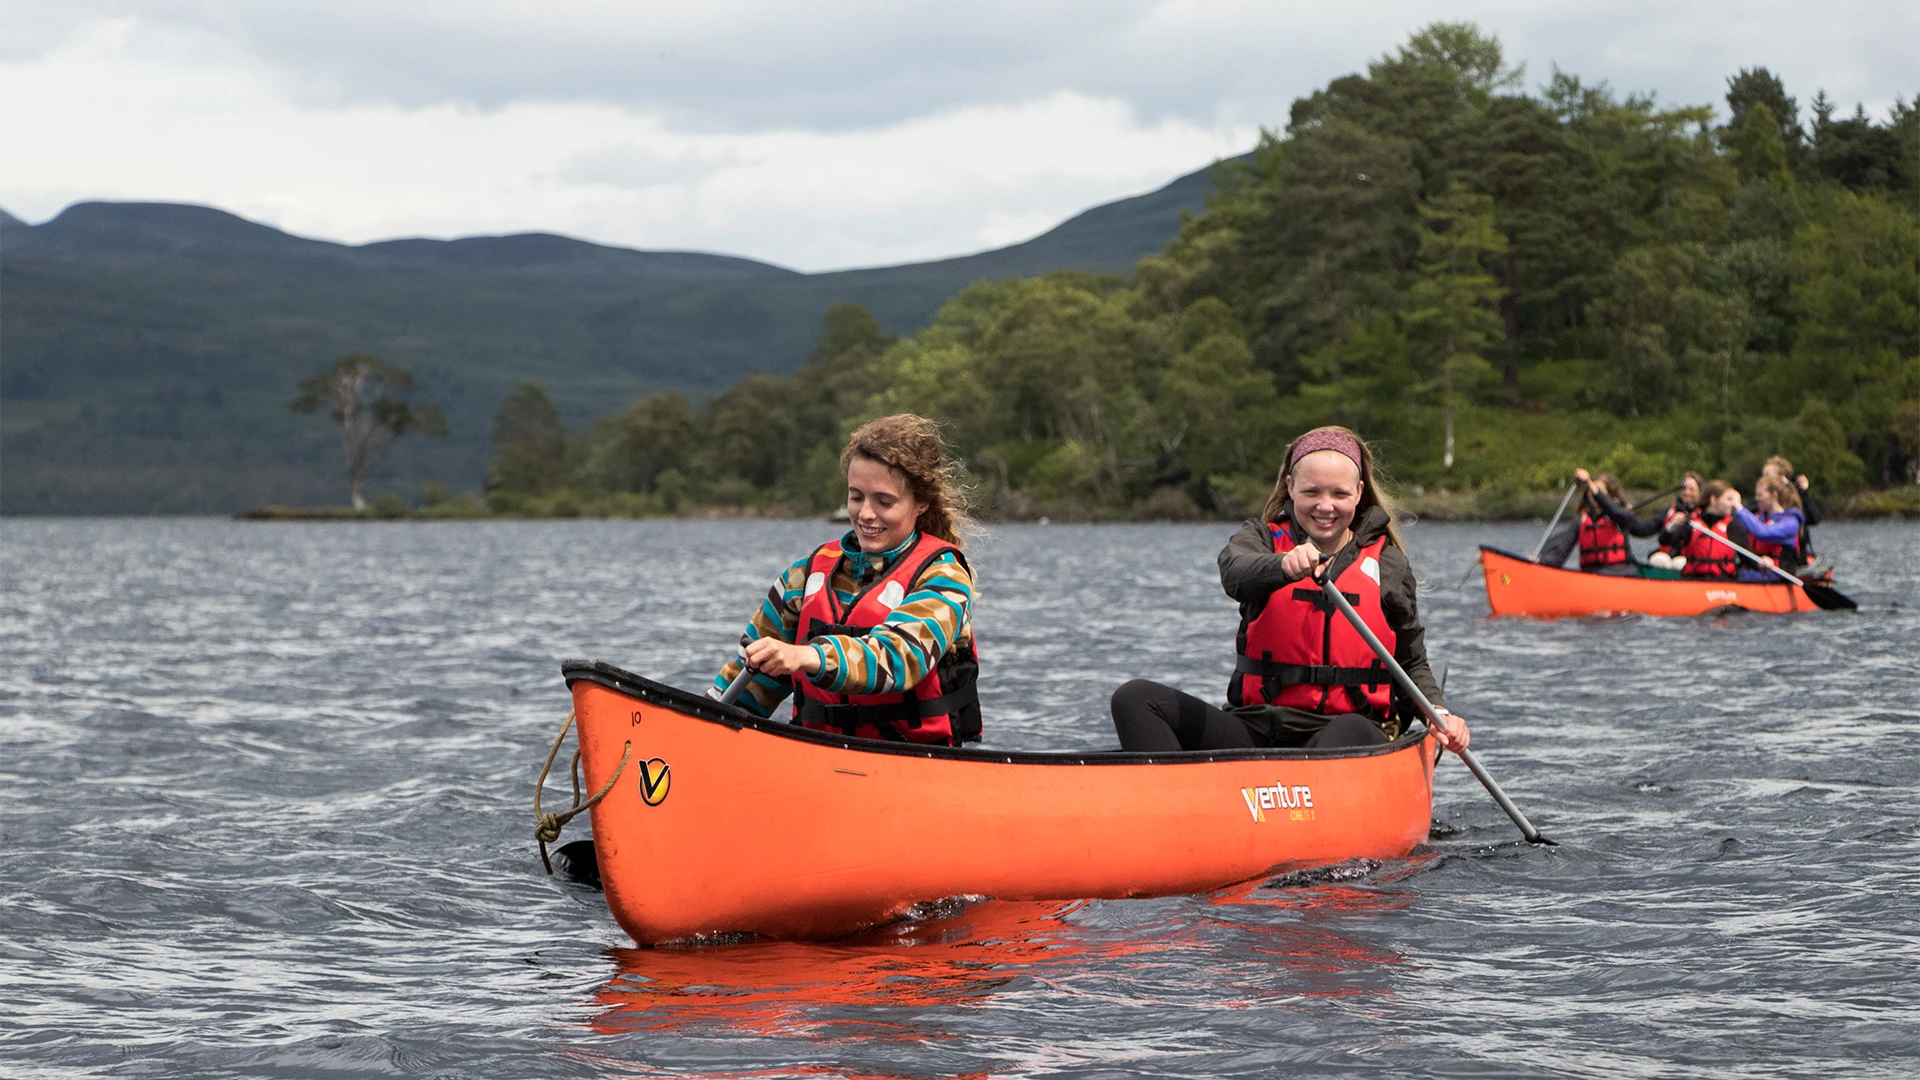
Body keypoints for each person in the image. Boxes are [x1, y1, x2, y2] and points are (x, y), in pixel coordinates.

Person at [1109, 425, 1469, 756]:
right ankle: (1175, 795)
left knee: (1347, 730)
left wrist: (1439, 714)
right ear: (1291, 487)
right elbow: (1234, 574)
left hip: (1351, 731)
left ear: (1359, 493)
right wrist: (1282, 566)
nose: (1325, 506)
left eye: (1339, 494)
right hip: (1258, 730)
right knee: (1134, 698)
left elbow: (1409, 660)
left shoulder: (1387, 563)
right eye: (1312, 492)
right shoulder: (1261, 539)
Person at [708, 414, 982, 746]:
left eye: (884, 501)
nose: (865, 514)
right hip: (816, 755)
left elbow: (899, 659)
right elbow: (747, 683)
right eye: (856, 497)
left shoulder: (944, 575)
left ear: (921, 503)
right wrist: (698, 721)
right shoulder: (804, 575)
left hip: (912, 760)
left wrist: (806, 656)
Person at [1538, 468, 1661, 573]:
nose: (1593, 494)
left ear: (1609, 495)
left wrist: (1589, 482)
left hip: (1619, 573)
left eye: (1598, 491)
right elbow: (1559, 557)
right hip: (1590, 574)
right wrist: (1538, 562)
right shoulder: (1581, 519)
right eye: (1590, 491)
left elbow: (1615, 511)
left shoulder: (1622, 516)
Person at [1664, 480, 1744, 579]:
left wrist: (1760, 564)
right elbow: (1665, 541)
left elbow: (1746, 555)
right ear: (1713, 500)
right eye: (1729, 499)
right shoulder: (1691, 522)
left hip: (1724, 580)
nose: (1732, 504)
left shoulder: (1733, 525)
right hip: (1693, 578)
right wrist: (1671, 527)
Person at [1733, 474, 1807, 580]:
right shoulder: (1758, 518)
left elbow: (1762, 533)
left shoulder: (1791, 523)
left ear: (1774, 495)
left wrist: (1739, 507)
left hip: (1777, 576)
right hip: (1754, 571)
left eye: (1760, 495)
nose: (1756, 498)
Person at [1762, 456, 1820, 558]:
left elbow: (1814, 518)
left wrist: (1804, 492)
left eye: (1767, 476)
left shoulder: (1797, 496)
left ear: (1782, 476)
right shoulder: (1762, 498)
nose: (1763, 479)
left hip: (1794, 555)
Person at [1648, 472, 1704, 566]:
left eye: (1691, 489)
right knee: (1659, 560)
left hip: (1689, 559)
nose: (1687, 493)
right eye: (1684, 488)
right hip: (1667, 557)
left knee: (1680, 563)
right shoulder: (1670, 510)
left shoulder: (1705, 515)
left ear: (1700, 492)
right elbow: (1646, 529)